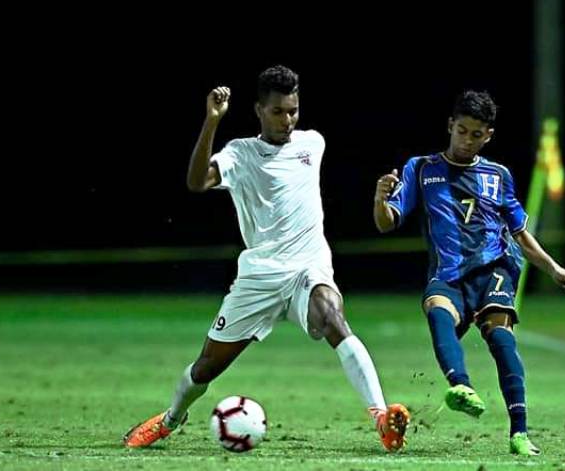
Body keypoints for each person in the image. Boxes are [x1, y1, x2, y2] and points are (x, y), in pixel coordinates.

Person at [124, 65, 409, 451]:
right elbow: (196, 182)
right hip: (258, 278)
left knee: (332, 316)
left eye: (293, 110)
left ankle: (381, 419)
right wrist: (211, 122)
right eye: (278, 111)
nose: (287, 120)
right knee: (207, 366)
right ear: (259, 110)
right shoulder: (240, 154)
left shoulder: (313, 144)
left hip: (307, 269)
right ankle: (170, 419)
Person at [373, 90, 565, 455]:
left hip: (494, 269)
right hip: (450, 273)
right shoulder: (421, 168)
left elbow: (520, 235)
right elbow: (387, 223)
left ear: (488, 136)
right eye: (462, 131)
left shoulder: (498, 175)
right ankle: (461, 386)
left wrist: (554, 268)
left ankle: (519, 433)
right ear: (450, 125)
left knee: (500, 339)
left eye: (476, 134)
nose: (467, 141)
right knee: (437, 311)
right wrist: (380, 199)